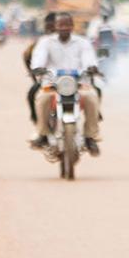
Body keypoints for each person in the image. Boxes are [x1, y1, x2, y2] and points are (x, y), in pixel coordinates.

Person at [29, 12, 101, 155]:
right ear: (55, 26)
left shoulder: (83, 42)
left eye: (67, 25)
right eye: (60, 25)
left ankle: (89, 136)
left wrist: (91, 67)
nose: (64, 28)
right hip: (52, 85)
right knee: (41, 99)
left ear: (72, 26)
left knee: (92, 97)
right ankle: (43, 134)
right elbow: (38, 60)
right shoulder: (45, 42)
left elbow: (89, 60)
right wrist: (38, 68)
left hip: (79, 84)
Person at [23, 12, 57, 123]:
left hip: (69, 80)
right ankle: (38, 123)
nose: (52, 31)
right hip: (49, 81)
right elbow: (27, 57)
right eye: (49, 28)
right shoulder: (40, 44)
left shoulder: (71, 42)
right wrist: (35, 78)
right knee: (32, 94)